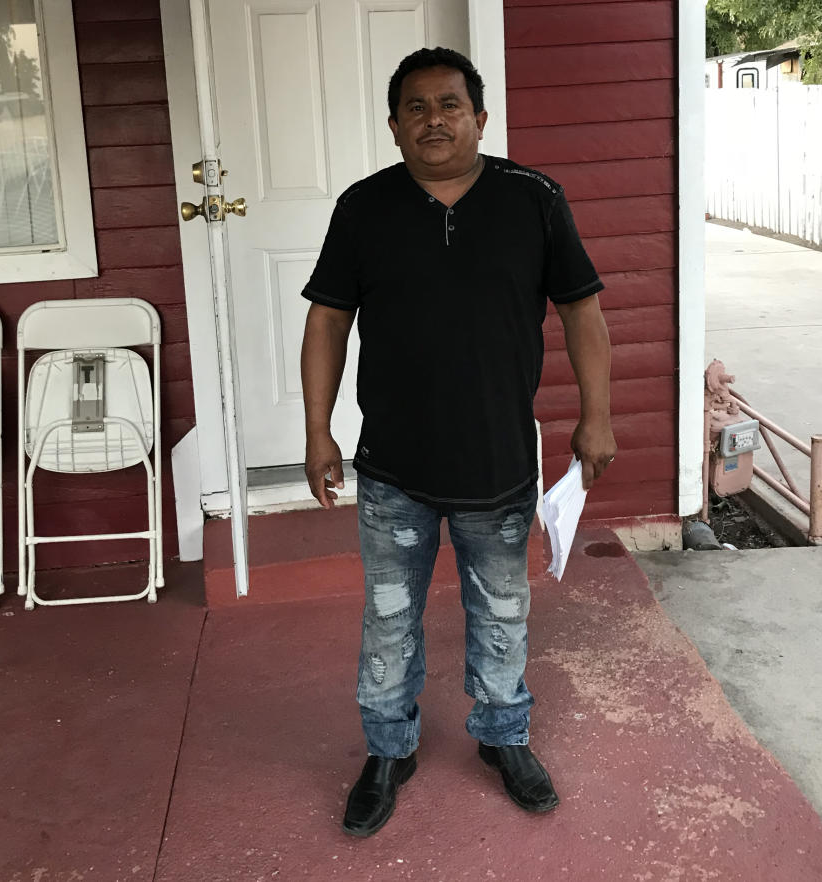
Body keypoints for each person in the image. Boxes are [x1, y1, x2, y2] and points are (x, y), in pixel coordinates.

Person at [300, 47, 616, 838]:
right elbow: (328, 319)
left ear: (481, 117)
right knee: (388, 621)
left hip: (498, 466)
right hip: (393, 470)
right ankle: (388, 751)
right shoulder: (363, 208)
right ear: (394, 125)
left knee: (503, 614)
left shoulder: (534, 200)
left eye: (450, 104)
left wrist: (597, 416)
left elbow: (582, 310)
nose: (433, 118)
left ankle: (504, 739)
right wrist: (316, 430)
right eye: (415, 107)